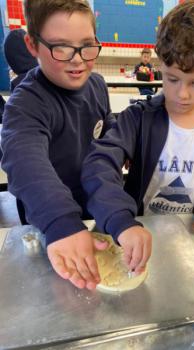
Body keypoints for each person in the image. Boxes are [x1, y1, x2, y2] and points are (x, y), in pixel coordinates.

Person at [81, 0, 194, 271]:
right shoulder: (138, 119)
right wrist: (121, 221)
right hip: (136, 238)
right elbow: (99, 164)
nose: (182, 93)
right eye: (172, 78)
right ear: (161, 65)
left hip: (192, 243)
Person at [1, 0, 115, 290]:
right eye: (61, 47)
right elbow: (24, 160)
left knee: (97, 280)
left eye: (87, 45)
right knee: (58, 286)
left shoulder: (97, 84)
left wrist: (119, 145)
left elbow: (105, 123)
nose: (77, 59)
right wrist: (60, 223)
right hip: (48, 218)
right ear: (32, 45)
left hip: (92, 206)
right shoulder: (26, 104)